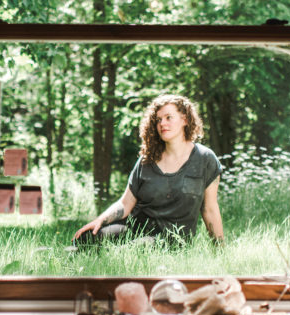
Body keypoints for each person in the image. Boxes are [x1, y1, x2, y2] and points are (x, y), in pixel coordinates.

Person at [73, 94, 224, 245]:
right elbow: (125, 204)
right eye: (158, 120)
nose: (162, 123)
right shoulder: (147, 159)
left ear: (185, 119)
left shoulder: (205, 159)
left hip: (171, 239)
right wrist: (100, 220)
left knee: (130, 250)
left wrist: (220, 249)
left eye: (168, 117)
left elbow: (209, 209)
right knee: (87, 238)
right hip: (135, 229)